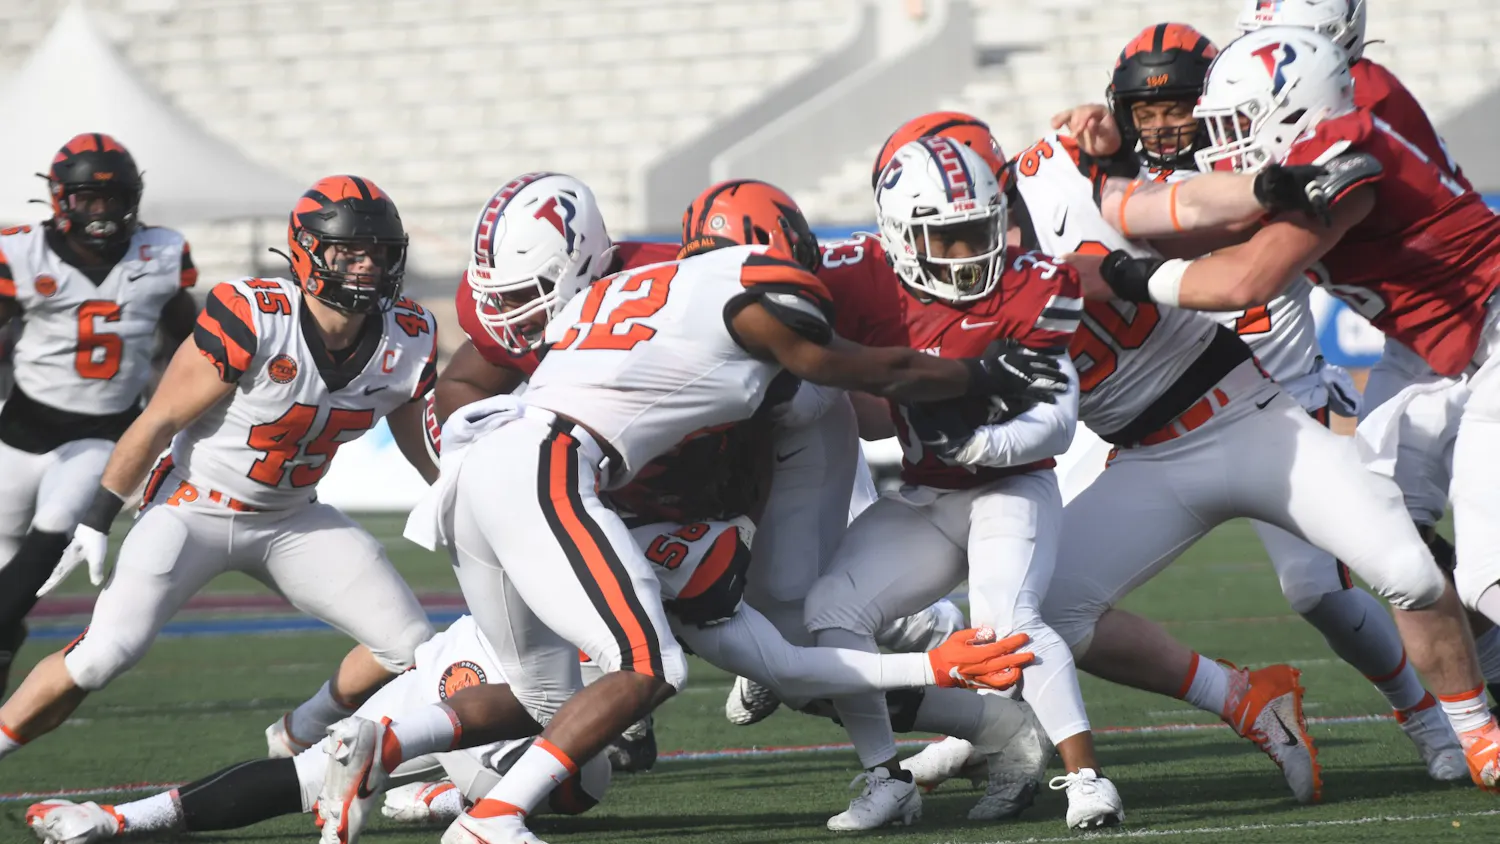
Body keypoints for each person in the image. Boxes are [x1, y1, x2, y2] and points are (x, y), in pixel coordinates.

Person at [1075, 25, 1500, 790]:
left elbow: (1234, 261)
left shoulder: (1304, 162)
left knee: (1357, 581)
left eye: (1184, 106)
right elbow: (1161, 208)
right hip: (1172, 422)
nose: (1172, 125)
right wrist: (1099, 167)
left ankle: (1443, 719)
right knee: (1403, 538)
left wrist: (1120, 260)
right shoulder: (1170, 177)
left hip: (1286, 408)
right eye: (1148, 109)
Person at [0, 176, 438, 764]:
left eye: (379, 252)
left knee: (411, 647)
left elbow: (425, 450)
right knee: (102, 655)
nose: (367, 266)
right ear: (308, 251)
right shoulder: (255, 314)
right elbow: (157, 421)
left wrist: (463, 502)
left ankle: (301, 729)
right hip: (193, 509)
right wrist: (97, 518)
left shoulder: (409, 337)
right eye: (349, 252)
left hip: (292, 519)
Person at [0, 133, 198, 693]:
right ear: (61, 200)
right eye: (89, 199)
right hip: (19, 432)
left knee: (54, 533)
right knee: (8, 586)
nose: (102, 212)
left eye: (113, 199)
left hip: (104, 434)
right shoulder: (23, 251)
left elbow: (193, 339)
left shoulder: (159, 253)